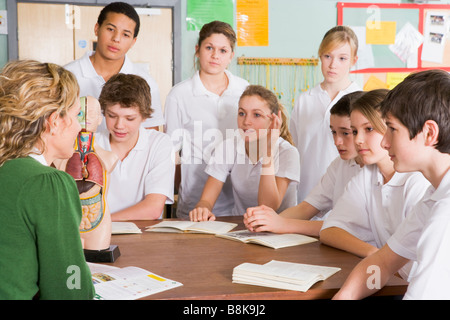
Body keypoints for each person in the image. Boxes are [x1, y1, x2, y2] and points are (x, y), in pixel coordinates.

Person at [333, 69, 450, 300]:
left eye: (392, 129)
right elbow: (383, 263)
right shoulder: (433, 195)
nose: (385, 142)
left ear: (429, 133)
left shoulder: (444, 213)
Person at [0, 60, 94, 299]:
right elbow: (69, 285)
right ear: (55, 121)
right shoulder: (47, 184)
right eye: (76, 115)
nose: (78, 128)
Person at [319, 89, 430, 280]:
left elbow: (422, 262)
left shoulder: (417, 181)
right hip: (389, 279)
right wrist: (375, 254)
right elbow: (330, 231)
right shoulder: (368, 174)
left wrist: (381, 259)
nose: (358, 140)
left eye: (368, 129)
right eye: (354, 131)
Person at [244, 91, 364, 236]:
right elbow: (306, 208)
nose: (337, 142)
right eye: (333, 132)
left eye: (345, 133)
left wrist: (281, 223)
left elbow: (346, 227)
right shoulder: (339, 165)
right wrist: (265, 220)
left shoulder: (375, 171)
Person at [164, 20, 249, 219]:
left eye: (222, 51)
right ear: (198, 50)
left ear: (231, 56)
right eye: (209, 48)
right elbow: (171, 152)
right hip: (195, 200)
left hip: (238, 200)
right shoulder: (179, 94)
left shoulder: (244, 89)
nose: (215, 56)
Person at [189, 85, 300, 222]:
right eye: (242, 113)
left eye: (256, 115)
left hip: (280, 232)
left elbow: (268, 207)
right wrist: (202, 208)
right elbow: (206, 200)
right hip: (242, 229)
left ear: (273, 120)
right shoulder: (228, 146)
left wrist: (267, 152)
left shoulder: (288, 153)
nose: (246, 122)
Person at [64, 1, 164, 130]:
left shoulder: (147, 84)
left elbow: (150, 137)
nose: (116, 38)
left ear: (133, 41)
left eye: (125, 34)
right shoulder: (66, 76)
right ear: (97, 28)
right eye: (110, 29)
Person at [290, 25, 361, 205]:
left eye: (342, 58)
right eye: (327, 56)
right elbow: (293, 149)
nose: (332, 64)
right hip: (306, 196)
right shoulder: (305, 100)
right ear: (320, 56)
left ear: (354, 60)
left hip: (348, 195)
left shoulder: (361, 102)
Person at [95, 73, 174, 220]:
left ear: (144, 116)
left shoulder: (159, 143)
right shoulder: (91, 144)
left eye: (129, 118)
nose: (119, 125)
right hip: (98, 235)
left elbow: (153, 208)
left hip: (143, 235)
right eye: (112, 116)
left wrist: (101, 223)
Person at [54, 96, 118, 251]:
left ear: (100, 119)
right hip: (70, 215)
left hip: (98, 212)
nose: (86, 118)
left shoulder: (108, 158)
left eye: (92, 113)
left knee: (97, 252)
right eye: (80, 113)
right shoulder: (59, 157)